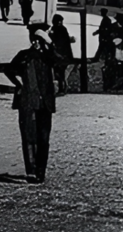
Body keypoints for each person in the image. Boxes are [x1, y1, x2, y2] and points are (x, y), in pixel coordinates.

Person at [6, 29, 62, 183]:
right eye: (34, 40)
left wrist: (50, 46)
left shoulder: (48, 58)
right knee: (29, 137)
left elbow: (61, 61)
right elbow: (8, 70)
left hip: (45, 104)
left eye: (39, 40)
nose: (35, 43)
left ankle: (40, 172)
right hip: (28, 101)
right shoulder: (24, 55)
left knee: (43, 138)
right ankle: (31, 170)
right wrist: (19, 84)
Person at [49, 15, 74, 95]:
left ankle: (62, 89)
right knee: (58, 72)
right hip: (58, 54)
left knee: (60, 73)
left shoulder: (61, 29)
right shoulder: (56, 28)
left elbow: (63, 42)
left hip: (62, 54)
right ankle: (62, 88)